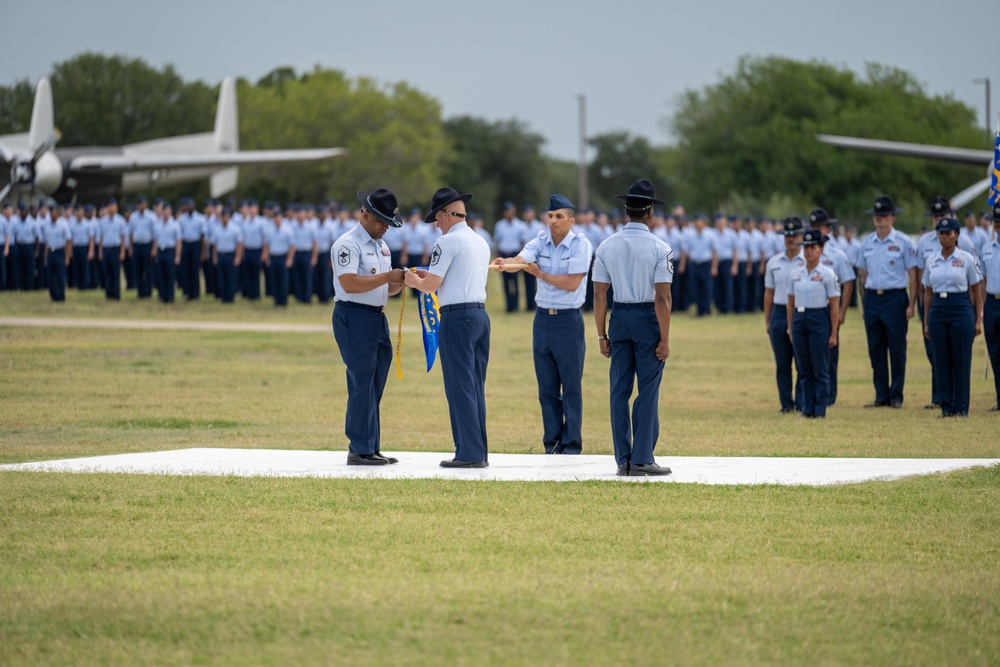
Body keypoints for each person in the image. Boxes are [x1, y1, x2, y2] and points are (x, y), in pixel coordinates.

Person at [493, 194, 592, 455]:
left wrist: (540, 274)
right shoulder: (540, 240)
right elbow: (521, 260)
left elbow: (572, 283)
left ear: (571, 220)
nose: (553, 221)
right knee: (546, 388)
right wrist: (507, 264)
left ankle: (571, 445)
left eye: (559, 216)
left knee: (571, 387)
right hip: (542, 320)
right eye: (550, 216)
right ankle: (552, 443)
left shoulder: (580, 244)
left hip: (568, 321)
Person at [404, 187, 491, 468]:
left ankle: (468, 453)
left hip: (457, 318)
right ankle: (478, 450)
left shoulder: (447, 242)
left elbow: (431, 286)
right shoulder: (479, 240)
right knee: (475, 386)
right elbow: (457, 275)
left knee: (459, 387)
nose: (436, 225)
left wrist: (411, 279)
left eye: (437, 218)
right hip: (479, 315)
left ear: (445, 215)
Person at [591, 179, 673, 477]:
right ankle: (642, 458)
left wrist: (601, 334)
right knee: (648, 389)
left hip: (619, 317)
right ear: (649, 212)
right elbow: (662, 297)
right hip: (647, 318)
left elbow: (600, 294)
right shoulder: (660, 247)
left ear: (627, 211)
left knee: (618, 391)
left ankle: (623, 460)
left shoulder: (605, 245)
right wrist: (664, 338)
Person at [331, 189, 406, 466]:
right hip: (354, 316)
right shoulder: (347, 245)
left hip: (377, 316)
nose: (385, 227)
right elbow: (350, 283)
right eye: (381, 221)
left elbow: (389, 288)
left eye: (389, 222)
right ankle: (359, 449)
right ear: (365, 214)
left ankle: (371, 447)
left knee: (375, 384)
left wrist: (403, 279)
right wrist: (388, 276)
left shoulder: (381, 246)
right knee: (361, 382)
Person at [855, 195, 918, 408]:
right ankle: (881, 395)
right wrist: (864, 303)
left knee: (897, 348)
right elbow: (862, 275)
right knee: (876, 349)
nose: (879, 219)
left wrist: (912, 304)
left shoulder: (903, 242)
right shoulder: (867, 243)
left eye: (883, 215)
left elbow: (913, 274)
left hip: (895, 298)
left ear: (893, 217)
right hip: (873, 297)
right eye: (876, 215)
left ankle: (896, 395)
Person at [915, 197, 978, 409]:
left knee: (960, 359)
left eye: (948, 233)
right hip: (937, 309)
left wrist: (977, 319)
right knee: (941, 358)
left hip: (960, 306)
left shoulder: (966, 258)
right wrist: (925, 321)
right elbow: (927, 292)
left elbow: (976, 289)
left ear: (956, 235)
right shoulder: (931, 260)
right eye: (940, 234)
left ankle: (960, 406)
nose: (944, 237)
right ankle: (945, 404)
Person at [786, 230, 841, 419]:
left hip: (819, 318)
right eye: (806, 248)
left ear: (821, 249)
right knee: (804, 368)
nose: (809, 252)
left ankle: (820, 409)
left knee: (820, 367)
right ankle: (806, 408)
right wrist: (790, 328)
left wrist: (833, 333)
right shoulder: (796, 273)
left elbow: (834, 306)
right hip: (800, 319)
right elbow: (790, 304)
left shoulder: (827, 274)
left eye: (813, 248)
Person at [808, 208, 855, 406]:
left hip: (829, 309)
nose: (817, 230)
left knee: (829, 353)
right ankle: (812, 394)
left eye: (819, 227)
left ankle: (829, 395)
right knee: (809, 354)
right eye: (813, 227)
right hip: (809, 307)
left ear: (828, 229)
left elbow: (848, 282)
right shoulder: (807, 253)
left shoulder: (837, 255)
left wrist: (842, 312)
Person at [763, 216, 807, 413]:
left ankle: (802, 402)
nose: (790, 239)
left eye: (794, 235)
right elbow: (769, 293)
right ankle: (786, 404)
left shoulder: (809, 261)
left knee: (801, 361)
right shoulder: (774, 262)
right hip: (779, 313)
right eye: (787, 235)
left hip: (800, 311)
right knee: (782, 363)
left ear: (802, 236)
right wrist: (768, 320)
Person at [980, 203, 1000, 411]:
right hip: (992, 303)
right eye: (997, 223)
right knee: (994, 352)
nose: (999, 227)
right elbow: (982, 279)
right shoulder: (986, 249)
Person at [494, 201, 525, 313]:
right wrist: (498, 256)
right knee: (506, 282)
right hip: (503, 254)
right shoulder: (500, 225)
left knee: (515, 281)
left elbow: (522, 242)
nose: (509, 213)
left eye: (511, 211)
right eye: (507, 211)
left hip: (514, 254)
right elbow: (498, 241)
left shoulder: (520, 225)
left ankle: (515, 306)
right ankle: (508, 306)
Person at [263, 205, 295, 307]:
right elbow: (267, 245)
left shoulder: (287, 230)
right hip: (273, 257)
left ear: (281, 218)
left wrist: (289, 259)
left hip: (282, 257)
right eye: (275, 217)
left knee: (283, 280)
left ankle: (283, 301)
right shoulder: (269, 230)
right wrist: (267, 257)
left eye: (279, 217)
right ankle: (276, 301)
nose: (277, 220)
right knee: (274, 280)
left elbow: (292, 246)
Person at [211, 207, 244, 304]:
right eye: (223, 216)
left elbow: (239, 244)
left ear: (229, 217)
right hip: (221, 254)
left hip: (230, 254)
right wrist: (215, 257)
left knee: (231, 277)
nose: (224, 218)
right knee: (221, 277)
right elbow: (215, 245)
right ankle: (223, 297)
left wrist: (238, 257)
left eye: (226, 216)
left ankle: (230, 297)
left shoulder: (235, 229)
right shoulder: (217, 229)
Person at [152, 203, 182, 304]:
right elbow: (156, 240)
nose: (165, 213)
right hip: (161, 250)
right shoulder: (158, 225)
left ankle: (170, 296)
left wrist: (177, 255)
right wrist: (155, 251)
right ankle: (162, 296)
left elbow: (178, 241)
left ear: (170, 212)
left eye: (167, 211)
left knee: (170, 274)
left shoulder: (175, 225)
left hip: (170, 250)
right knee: (161, 274)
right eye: (164, 211)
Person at [42, 204, 72, 302]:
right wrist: (46, 256)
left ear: (58, 212)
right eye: (50, 211)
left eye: (53, 211)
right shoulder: (47, 225)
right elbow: (47, 242)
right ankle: (53, 296)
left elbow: (68, 241)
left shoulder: (63, 224)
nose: (51, 213)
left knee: (60, 275)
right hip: (51, 251)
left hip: (59, 251)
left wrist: (67, 256)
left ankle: (61, 296)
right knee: (50, 276)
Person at [98, 199, 127, 300]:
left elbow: (123, 238)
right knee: (107, 272)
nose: (111, 209)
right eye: (109, 206)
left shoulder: (120, 221)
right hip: (106, 248)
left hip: (115, 248)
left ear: (116, 208)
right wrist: (100, 251)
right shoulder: (103, 221)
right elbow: (101, 237)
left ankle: (116, 294)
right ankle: (108, 293)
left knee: (115, 272)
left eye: (113, 206)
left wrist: (122, 251)